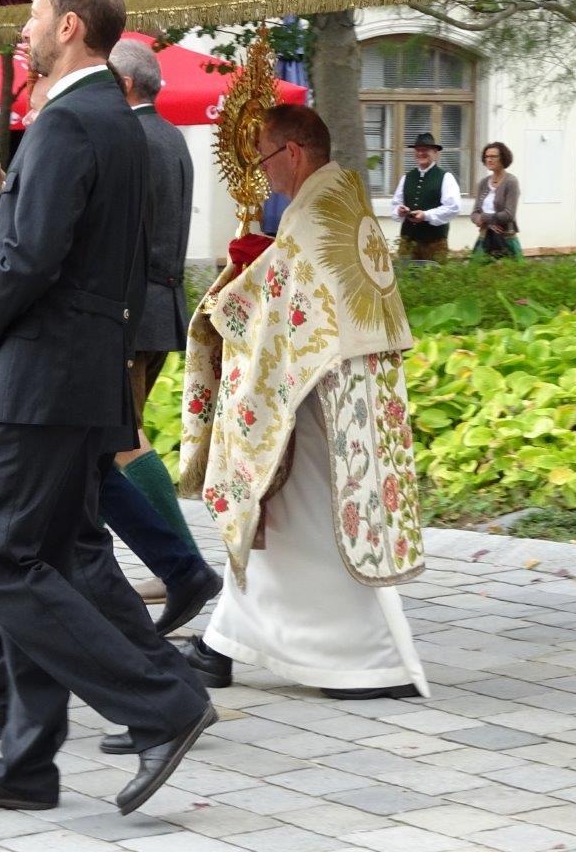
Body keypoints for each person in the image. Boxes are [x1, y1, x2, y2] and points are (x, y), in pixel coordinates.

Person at [0, 0, 214, 815]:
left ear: (70, 27)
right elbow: (60, 235)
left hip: (39, 379)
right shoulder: (115, 120)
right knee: (52, 560)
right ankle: (27, 763)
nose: (23, 31)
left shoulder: (65, 121)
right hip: (82, 374)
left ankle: (162, 704)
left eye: (35, 16)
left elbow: (32, 261)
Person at [178, 104, 430, 700]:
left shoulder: (314, 215)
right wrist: (261, 261)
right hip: (337, 389)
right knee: (278, 514)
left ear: (292, 152)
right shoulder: (341, 199)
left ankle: (364, 660)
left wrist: (231, 291)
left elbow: (279, 310)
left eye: (266, 158)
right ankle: (223, 643)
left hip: (317, 395)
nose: (263, 174)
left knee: (306, 517)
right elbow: (300, 289)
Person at [107, 37, 222, 626]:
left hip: (129, 312)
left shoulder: (130, 136)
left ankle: (185, 567)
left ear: (125, 84)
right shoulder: (173, 135)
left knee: (120, 438)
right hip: (159, 306)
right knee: (114, 438)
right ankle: (173, 566)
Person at [391, 132, 460, 262]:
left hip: (434, 243)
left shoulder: (445, 177)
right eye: (418, 150)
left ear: (435, 152)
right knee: (405, 274)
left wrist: (426, 215)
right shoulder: (407, 177)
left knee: (434, 275)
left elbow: (453, 208)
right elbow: (396, 204)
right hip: (408, 242)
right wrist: (400, 211)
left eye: (425, 150)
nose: (421, 153)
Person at [472, 141, 522, 260]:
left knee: (508, 270)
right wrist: (486, 222)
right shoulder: (483, 183)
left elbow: (509, 214)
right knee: (477, 270)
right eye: (487, 157)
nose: (489, 160)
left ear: (503, 158)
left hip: (505, 238)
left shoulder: (511, 182)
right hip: (484, 237)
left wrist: (484, 217)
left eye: (493, 156)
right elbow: (474, 213)